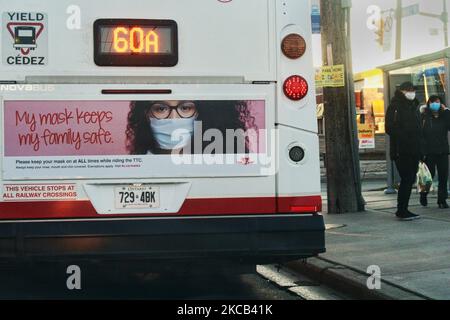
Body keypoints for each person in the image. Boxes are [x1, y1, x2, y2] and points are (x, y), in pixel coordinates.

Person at [126, 100, 254, 155]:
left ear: (199, 112)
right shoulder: (138, 165)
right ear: (147, 114)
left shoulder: (221, 162)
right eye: (161, 109)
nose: (174, 118)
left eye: (185, 108)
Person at [385, 81, 422, 221]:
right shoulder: (395, 106)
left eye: (413, 90)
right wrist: (406, 135)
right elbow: (389, 128)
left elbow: (418, 129)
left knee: (410, 179)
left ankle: (403, 208)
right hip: (401, 149)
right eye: (409, 90)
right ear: (402, 91)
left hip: (414, 149)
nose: (412, 93)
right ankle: (402, 210)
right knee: (407, 179)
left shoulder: (414, 106)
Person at [419, 95, 450, 209]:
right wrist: (422, 151)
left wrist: (446, 111)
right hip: (429, 152)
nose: (435, 104)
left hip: (442, 151)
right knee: (428, 176)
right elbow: (420, 135)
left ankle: (442, 200)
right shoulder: (424, 117)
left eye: (437, 102)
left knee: (443, 177)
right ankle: (423, 194)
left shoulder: (444, 116)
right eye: (433, 102)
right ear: (429, 103)